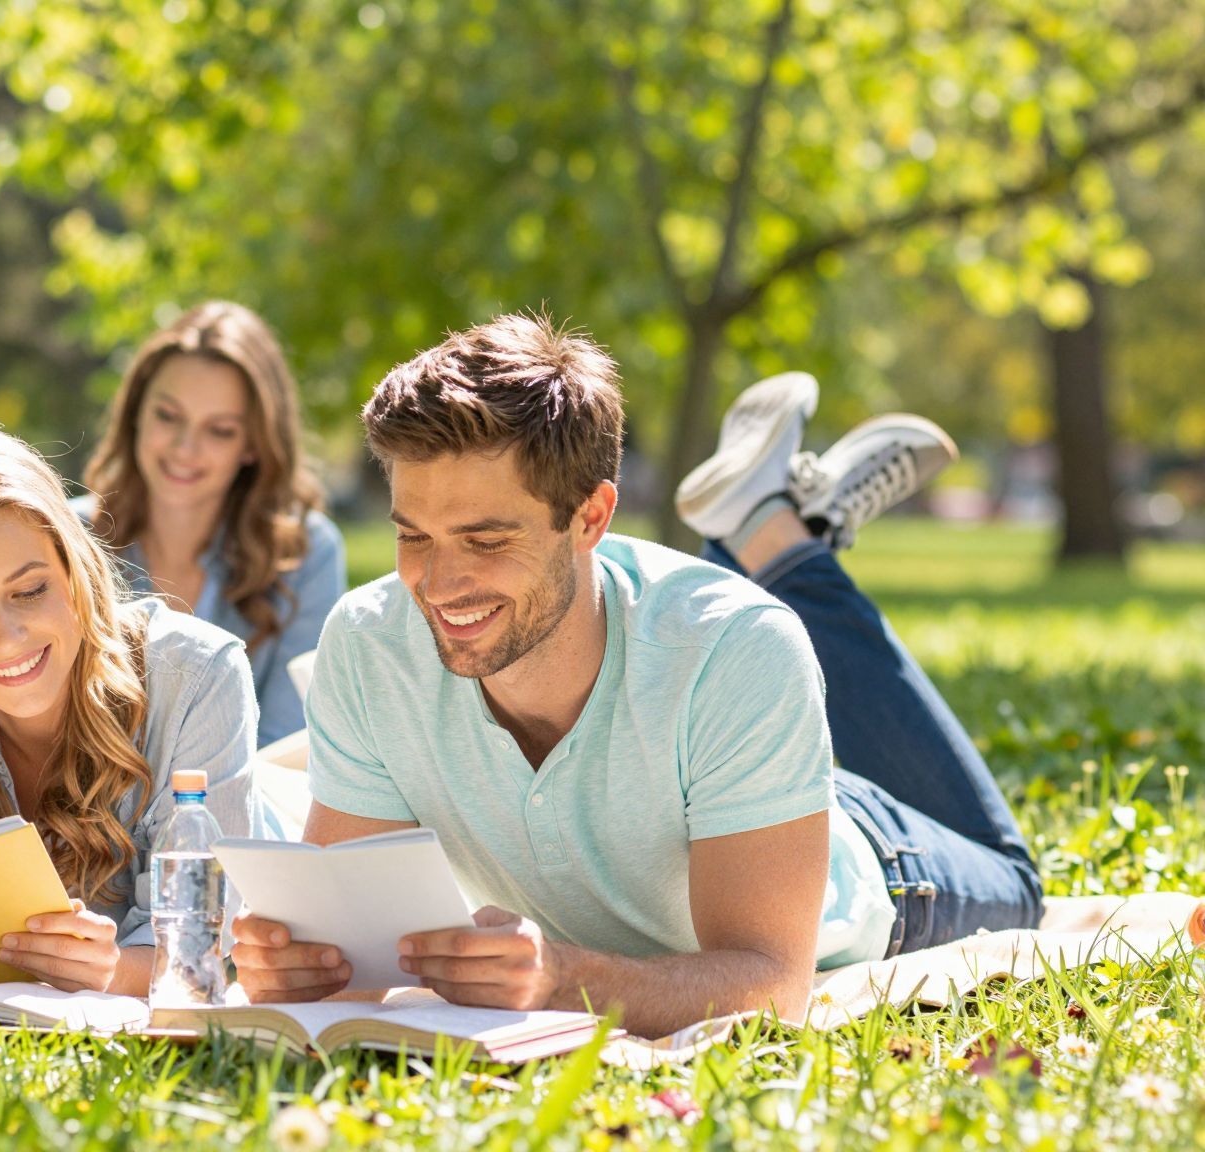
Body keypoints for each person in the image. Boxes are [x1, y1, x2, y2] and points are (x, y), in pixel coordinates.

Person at [231, 317, 1043, 1037]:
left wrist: (563, 981)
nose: (438, 586)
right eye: (415, 537)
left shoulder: (738, 646)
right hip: (719, 746)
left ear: (591, 517)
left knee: (1018, 880)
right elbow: (358, 949)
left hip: (868, 867)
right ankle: (763, 525)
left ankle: (781, 536)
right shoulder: (371, 644)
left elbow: (768, 980)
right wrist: (312, 969)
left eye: (484, 541)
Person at [0, 423, 263, 996]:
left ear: (75, 571)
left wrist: (113, 972)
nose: (8, 638)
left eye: (29, 592)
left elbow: (204, 951)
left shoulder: (199, 675)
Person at [78, 302, 346, 745]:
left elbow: (290, 741)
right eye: (168, 416)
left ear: (253, 445)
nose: (185, 447)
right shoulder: (65, 537)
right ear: (136, 414)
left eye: (219, 430)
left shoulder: (307, 552)